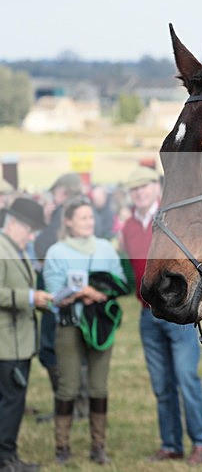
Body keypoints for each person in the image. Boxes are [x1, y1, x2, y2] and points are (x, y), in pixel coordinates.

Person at [118, 166, 202, 466]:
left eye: (144, 186)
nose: (139, 193)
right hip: (147, 315)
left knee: (186, 378)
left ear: (155, 187)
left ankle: (200, 442)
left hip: (177, 314)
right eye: (134, 189)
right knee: (161, 384)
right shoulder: (127, 227)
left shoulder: (172, 219)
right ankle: (171, 444)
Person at [43, 196, 124, 465]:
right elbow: (53, 294)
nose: (89, 222)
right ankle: (61, 447)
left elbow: (119, 283)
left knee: (98, 387)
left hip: (100, 326)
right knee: (68, 386)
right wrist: (75, 295)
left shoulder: (105, 249)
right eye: (82, 218)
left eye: (91, 217)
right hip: (70, 326)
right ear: (68, 222)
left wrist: (97, 292)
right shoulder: (56, 252)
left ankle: (98, 446)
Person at [0, 198, 52, 472]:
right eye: (30, 229)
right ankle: (6, 459)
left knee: (11, 402)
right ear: (16, 224)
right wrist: (29, 298)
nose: (32, 236)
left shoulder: (15, 249)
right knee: (11, 403)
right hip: (7, 345)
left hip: (17, 342)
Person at [34, 173, 85, 420]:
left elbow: (42, 245)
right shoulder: (82, 212)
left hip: (58, 289)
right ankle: (78, 406)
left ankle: (68, 407)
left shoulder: (62, 214)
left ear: (62, 192)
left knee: (50, 348)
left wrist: (46, 221)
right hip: (75, 288)